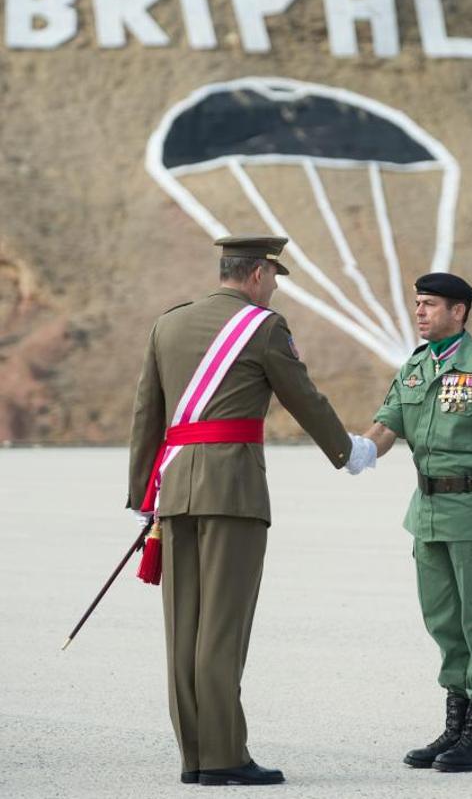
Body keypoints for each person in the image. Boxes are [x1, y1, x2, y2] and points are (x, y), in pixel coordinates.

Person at [127, 235, 362, 786]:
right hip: (232, 491)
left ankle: (194, 758)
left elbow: (147, 413)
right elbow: (302, 396)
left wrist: (143, 497)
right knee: (223, 629)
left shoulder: (169, 324)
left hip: (174, 490)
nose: (275, 289)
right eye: (275, 278)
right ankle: (224, 757)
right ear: (257, 274)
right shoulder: (263, 327)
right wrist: (348, 451)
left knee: (184, 628)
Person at [348, 272, 472, 773]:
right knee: (443, 622)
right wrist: (363, 448)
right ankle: (454, 725)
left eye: (429, 304)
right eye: (417, 304)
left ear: (459, 311)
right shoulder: (413, 368)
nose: (420, 312)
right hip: (426, 515)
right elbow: (388, 424)